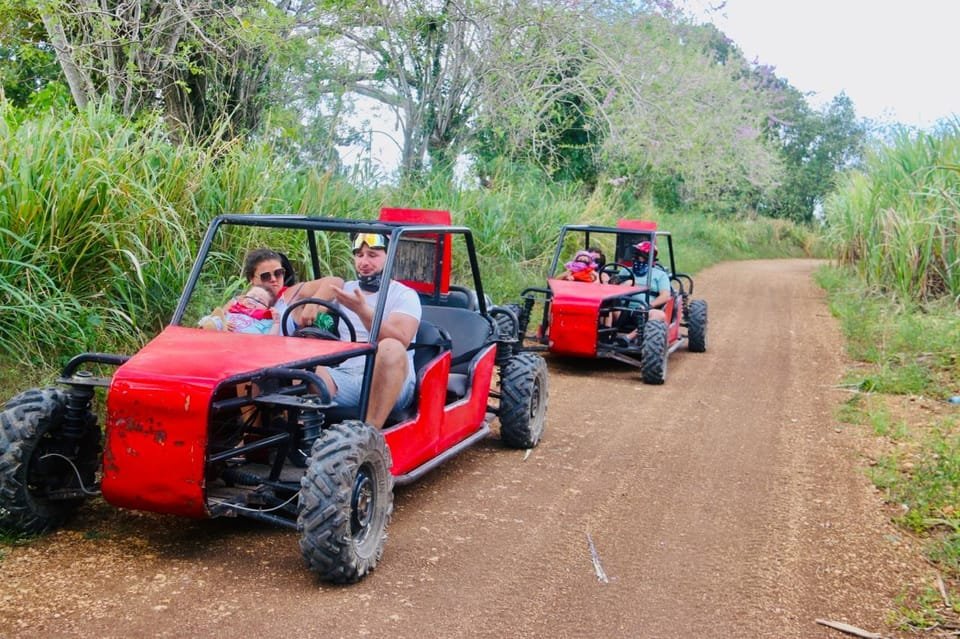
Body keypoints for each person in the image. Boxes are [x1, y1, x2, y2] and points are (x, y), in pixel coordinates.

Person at [312, 233, 421, 428]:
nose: (364, 261)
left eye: (372, 255)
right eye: (359, 255)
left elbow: (400, 340)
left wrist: (362, 311)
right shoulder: (345, 289)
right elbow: (295, 294)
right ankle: (278, 435)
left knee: (390, 347)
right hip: (345, 376)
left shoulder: (404, 295)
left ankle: (368, 434)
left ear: (390, 257)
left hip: (392, 380)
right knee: (298, 367)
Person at [239, 248, 343, 334]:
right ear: (252, 279)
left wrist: (314, 303)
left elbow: (335, 282)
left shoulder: (292, 294)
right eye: (266, 276)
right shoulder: (240, 301)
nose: (274, 279)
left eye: (278, 273)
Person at [623, 240, 671, 341]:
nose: (635, 257)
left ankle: (629, 337)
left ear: (648, 257)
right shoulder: (625, 270)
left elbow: (665, 296)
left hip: (644, 310)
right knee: (604, 307)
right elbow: (611, 287)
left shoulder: (660, 275)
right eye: (635, 254)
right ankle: (604, 337)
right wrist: (622, 284)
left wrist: (648, 306)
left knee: (659, 315)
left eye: (639, 254)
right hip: (621, 309)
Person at [199, 284, 279, 334]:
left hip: (246, 346)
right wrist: (223, 323)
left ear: (267, 308)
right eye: (251, 296)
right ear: (243, 298)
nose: (253, 300)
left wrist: (276, 323)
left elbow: (270, 340)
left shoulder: (265, 321)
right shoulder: (231, 310)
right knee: (214, 320)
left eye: (260, 300)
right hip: (221, 337)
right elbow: (204, 323)